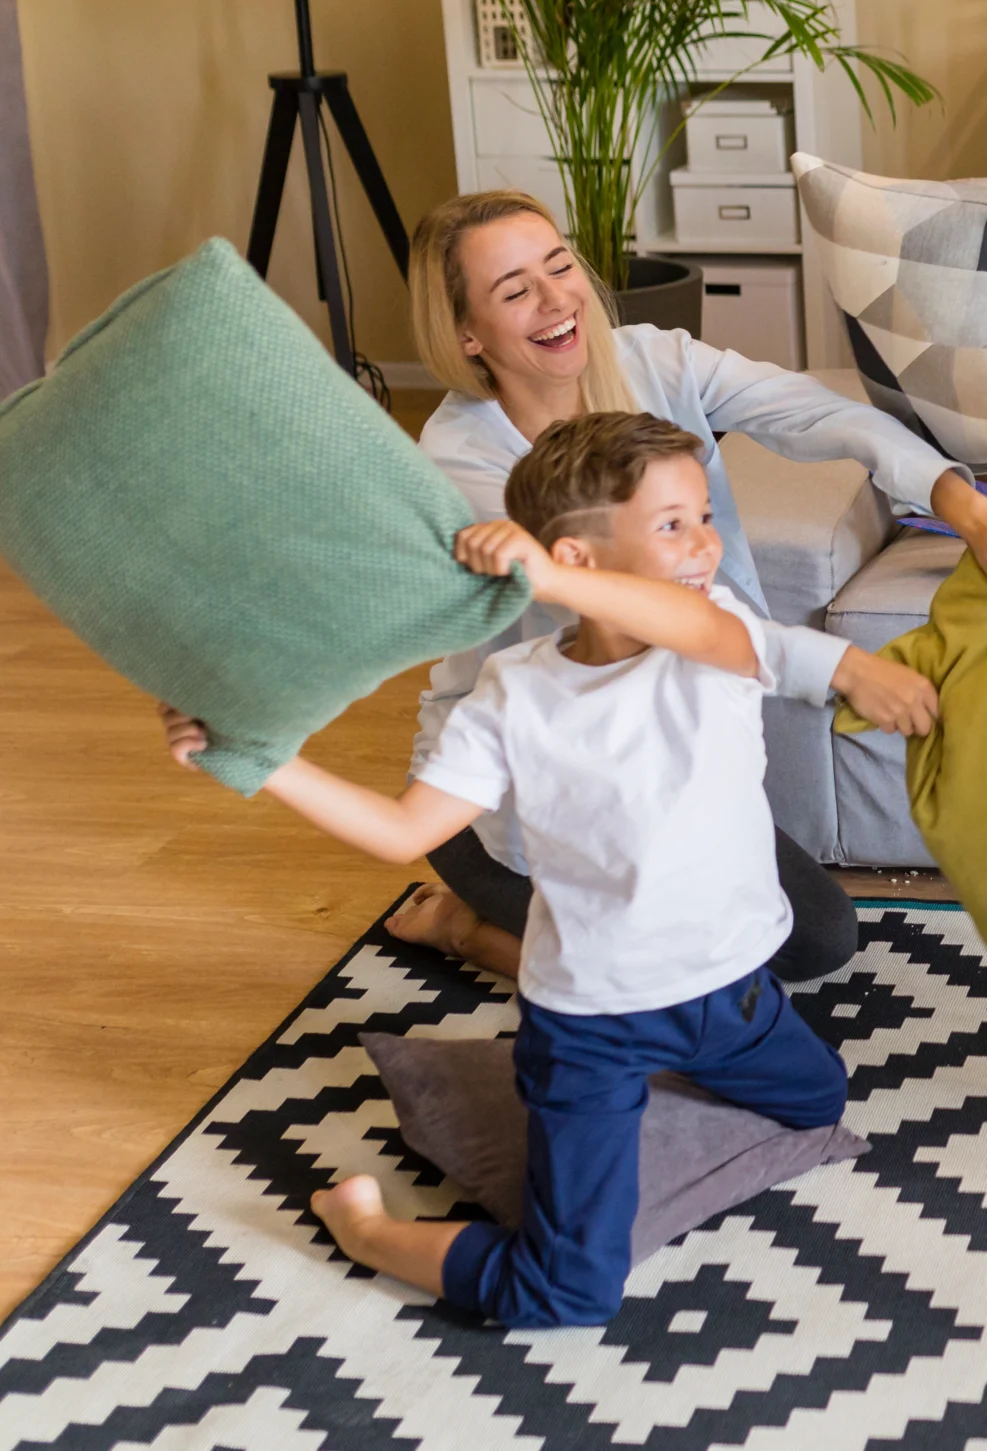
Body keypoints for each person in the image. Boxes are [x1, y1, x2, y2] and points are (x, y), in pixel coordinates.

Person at [162, 413, 865, 1327]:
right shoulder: (515, 691)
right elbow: (403, 829)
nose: (706, 541)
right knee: (567, 1291)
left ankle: (493, 958)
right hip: (594, 1025)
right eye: (672, 524)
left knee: (821, 1099)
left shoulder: (714, 636)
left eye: (702, 515)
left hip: (732, 992)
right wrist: (269, 762)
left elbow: (693, 619)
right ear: (577, 552)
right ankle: (367, 1232)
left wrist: (552, 574)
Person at [385, 189, 987, 990]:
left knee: (817, 941)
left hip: (665, 769)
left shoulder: (653, 361)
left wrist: (966, 506)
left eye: (560, 267)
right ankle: (464, 926)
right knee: (670, 981)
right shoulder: (459, 461)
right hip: (522, 794)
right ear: (466, 332)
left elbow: (814, 412)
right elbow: (631, 612)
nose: (555, 299)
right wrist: (840, 667)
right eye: (515, 290)